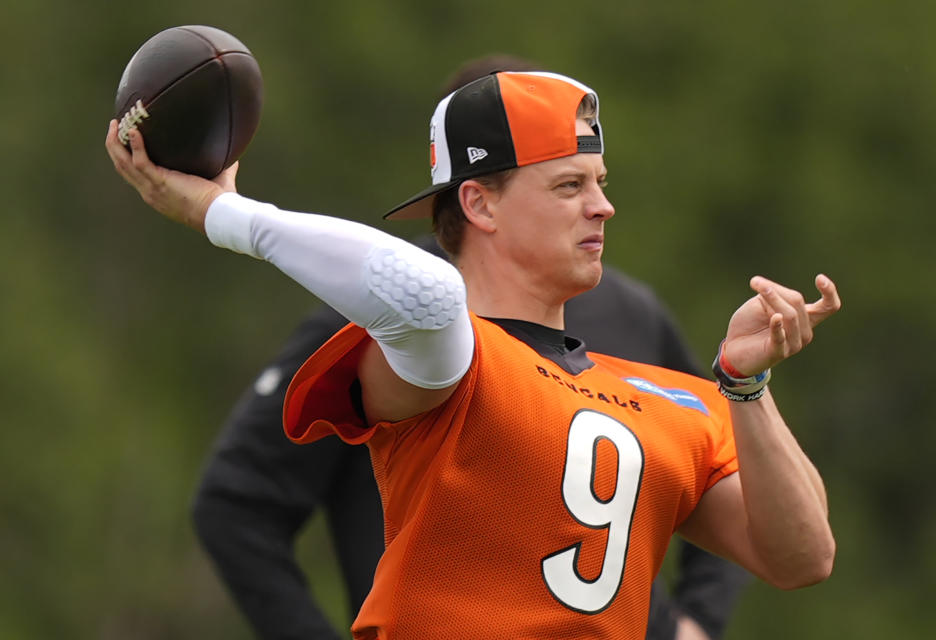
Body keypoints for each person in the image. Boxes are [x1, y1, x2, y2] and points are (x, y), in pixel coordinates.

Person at [106, 68, 840, 639]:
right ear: (480, 204)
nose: (602, 206)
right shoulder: (449, 357)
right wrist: (223, 213)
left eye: (601, 184)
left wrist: (746, 385)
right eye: (568, 185)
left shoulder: (672, 399)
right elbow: (428, 298)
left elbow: (804, 557)